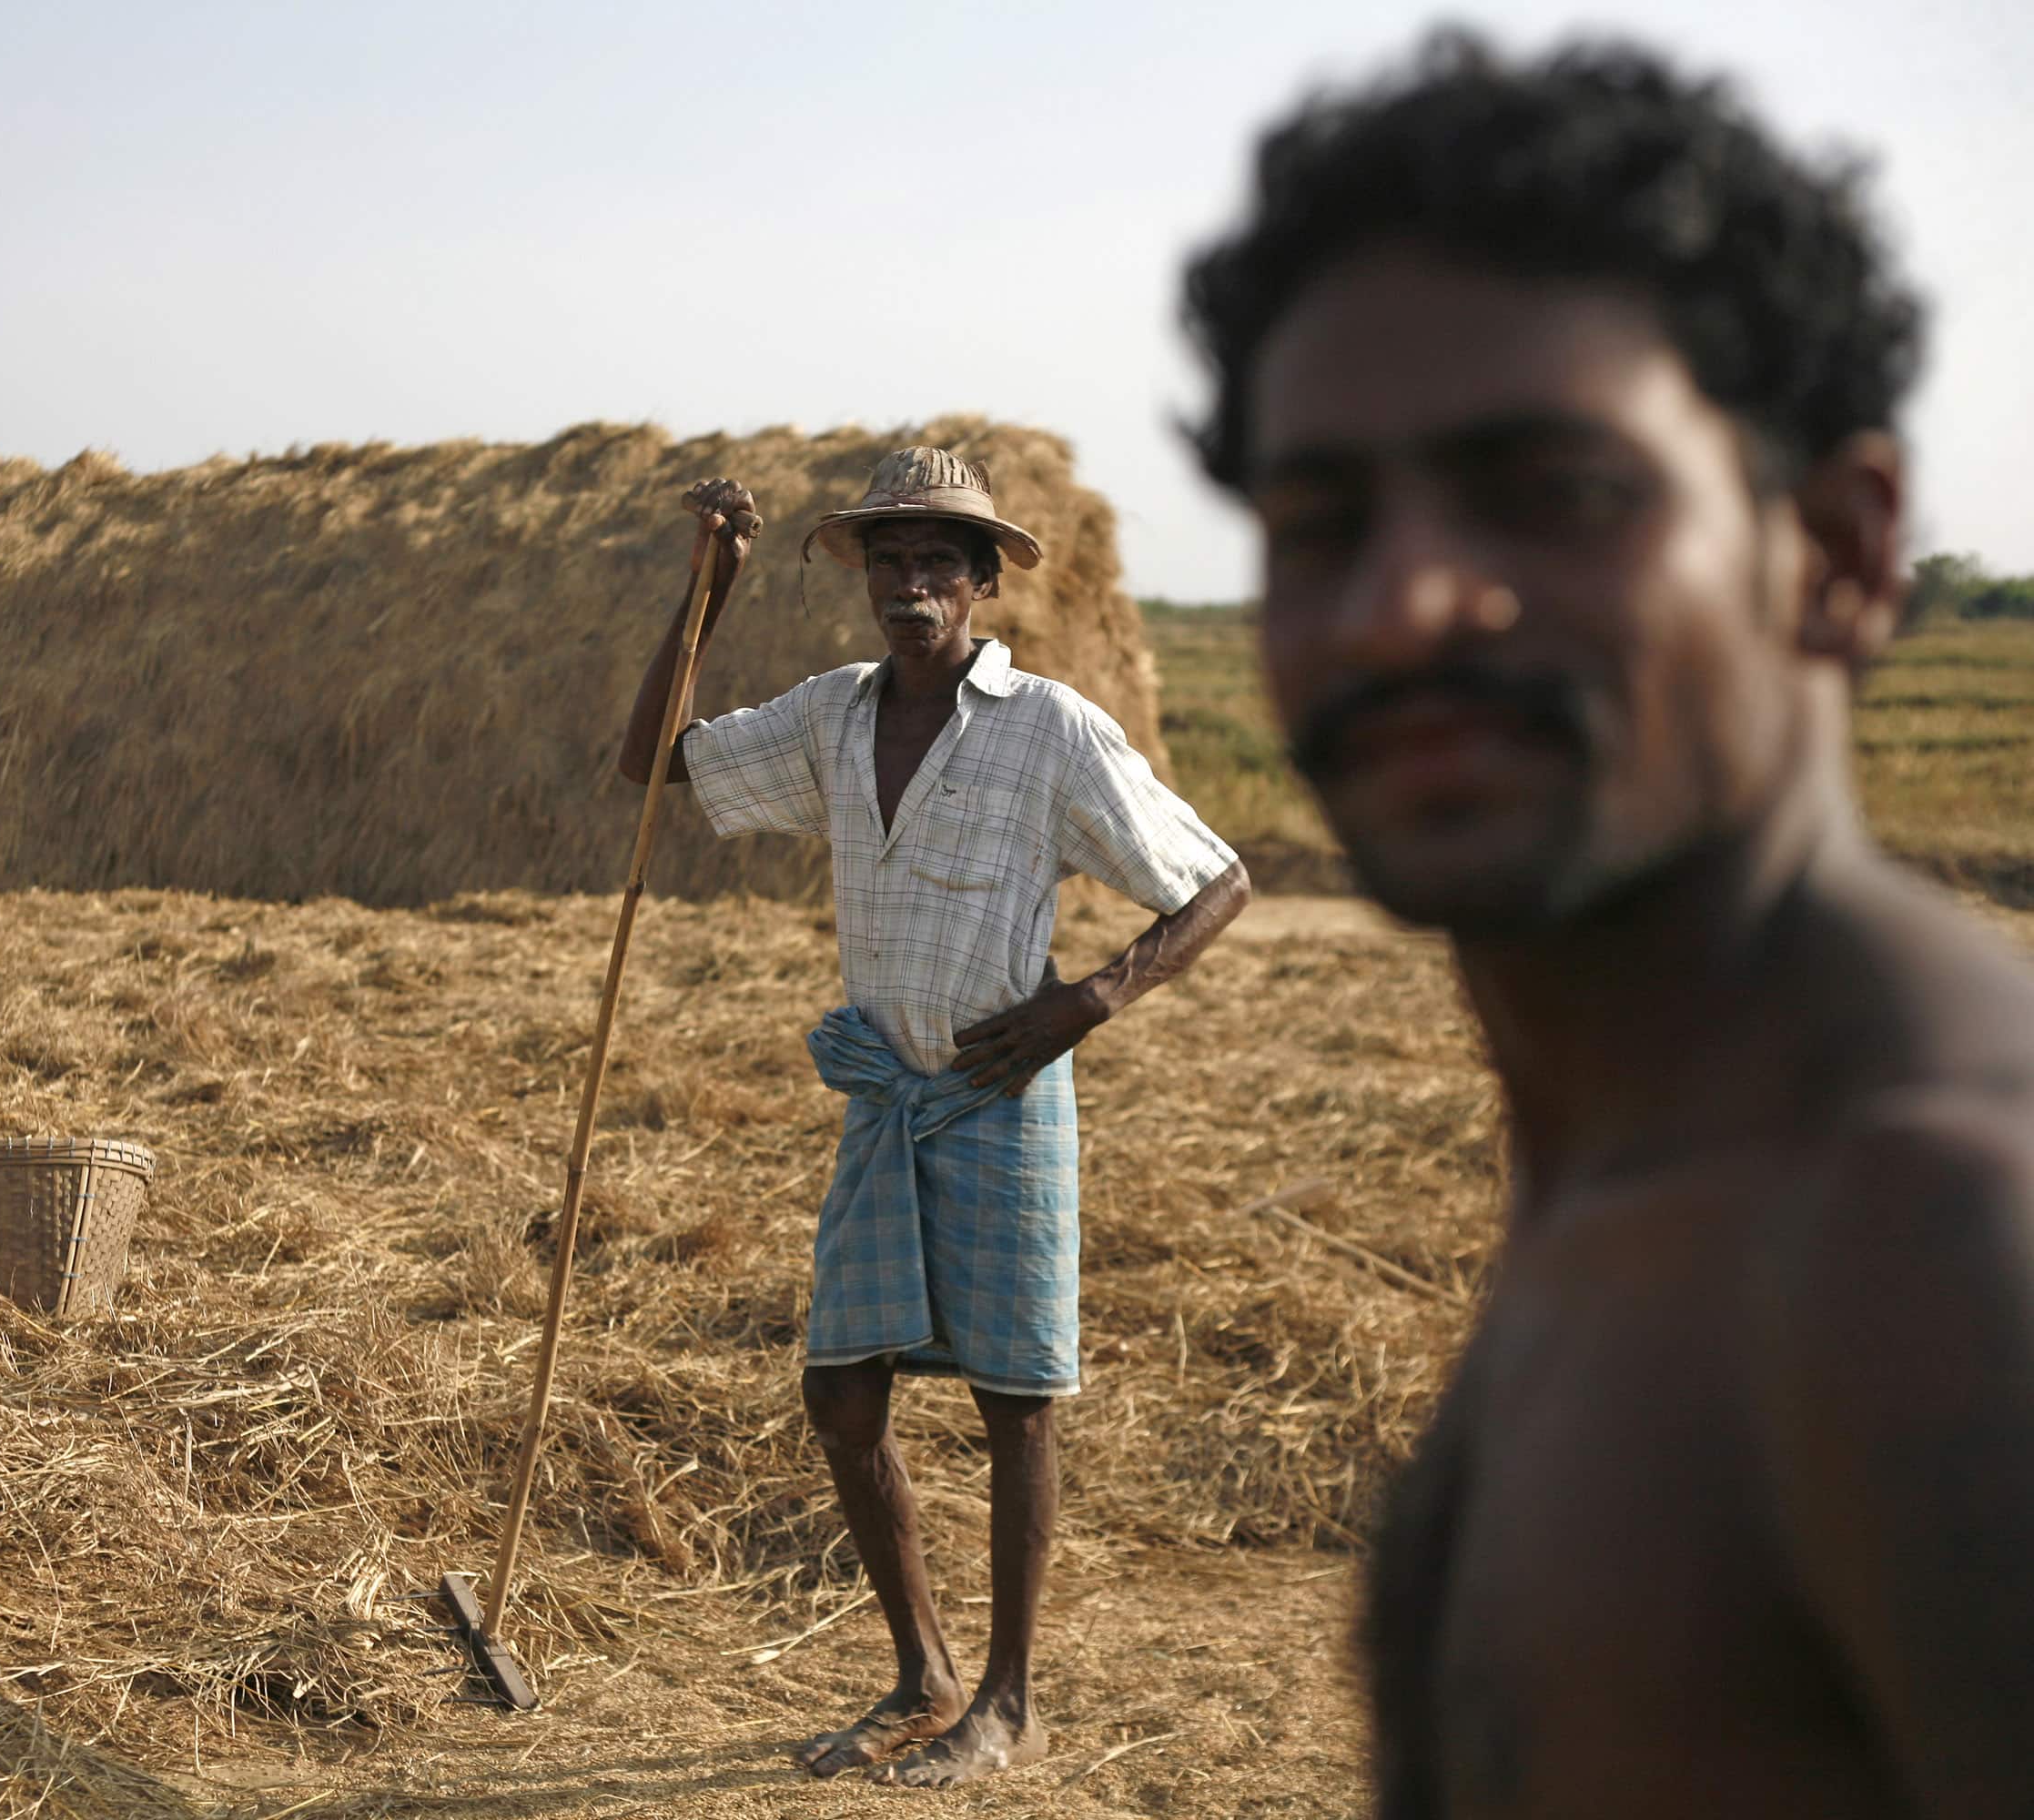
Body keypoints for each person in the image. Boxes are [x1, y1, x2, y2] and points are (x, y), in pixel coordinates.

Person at [1180, 31, 2034, 1817]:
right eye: (1319, 519)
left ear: (1840, 550)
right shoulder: (1637, 1153)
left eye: (1552, 492)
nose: (1403, 600)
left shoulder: (1943, 1240)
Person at [616, 449, 1251, 1785]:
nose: (914, 586)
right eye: (890, 562)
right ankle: (922, 1672)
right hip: (885, 1094)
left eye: (939, 565)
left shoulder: (1051, 729)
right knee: (841, 1396)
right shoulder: (834, 717)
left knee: (1017, 1403)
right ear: (865, 580)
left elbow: (1217, 880)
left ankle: (1008, 1704)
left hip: (1004, 1092)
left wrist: (1087, 1000)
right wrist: (707, 596)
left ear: (979, 584)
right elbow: (650, 766)